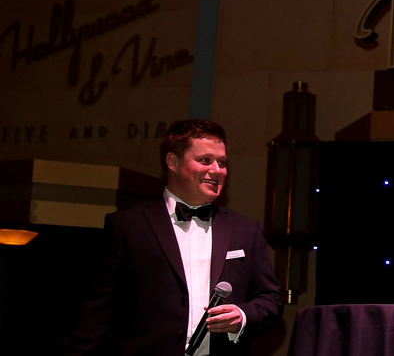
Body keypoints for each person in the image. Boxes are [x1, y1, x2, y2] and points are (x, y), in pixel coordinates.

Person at [66, 119, 284, 356]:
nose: (216, 170)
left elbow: (271, 299)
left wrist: (242, 316)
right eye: (205, 160)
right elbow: (96, 312)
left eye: (222, 162)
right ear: (173, 162)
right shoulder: (128, 226)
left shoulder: (245, 230)